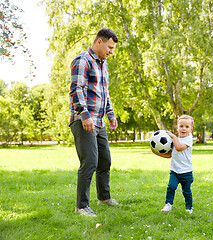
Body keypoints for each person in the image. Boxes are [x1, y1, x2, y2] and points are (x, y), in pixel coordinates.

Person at [69, 28, 119, 217]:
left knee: (105, 160)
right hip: (83, 121)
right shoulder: (83, 60)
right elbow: (76, 89)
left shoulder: (103, 64)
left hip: (99, 122)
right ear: (99, 41)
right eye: (110, 47)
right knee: (89, 161)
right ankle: (81, 206)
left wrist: (111, 114)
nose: (111, 51)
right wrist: (85, 115)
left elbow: (104, 94)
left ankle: (104, 198)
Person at [151, 115, 194, 214]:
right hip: (175, 171)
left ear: (191, 129)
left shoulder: (188, 140)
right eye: (181, 126)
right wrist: (156, 152)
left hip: (186, 172)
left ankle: (189, 208)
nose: (184, 129)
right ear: (177, 127)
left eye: (187, 127)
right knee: (171, 187)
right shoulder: (174, 140)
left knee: (186, 191)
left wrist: (173, 136)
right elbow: (171, 155)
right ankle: (168, 205)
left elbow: (179, 148)